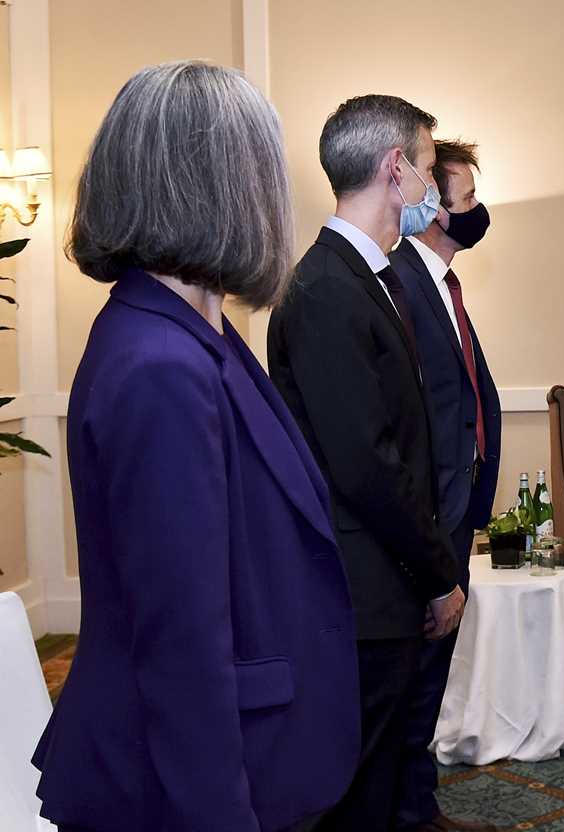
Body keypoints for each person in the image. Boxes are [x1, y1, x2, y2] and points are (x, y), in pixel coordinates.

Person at [32, 61, 359, 832]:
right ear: (225, 186)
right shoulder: (160, 362)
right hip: (186, 786)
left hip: (242, 754)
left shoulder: (187, 330)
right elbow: (182, 645)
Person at [267, 96, 477, 832]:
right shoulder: (328, 288)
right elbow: (368, 465)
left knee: (382, 779)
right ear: (395, 169)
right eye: (426, 166)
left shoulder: (368, 275)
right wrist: (439, 573)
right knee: (357, 792)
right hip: (363, 587)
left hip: (385, 578)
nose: (430, 186)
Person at [388, 139, 501, 831]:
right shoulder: (400, 282)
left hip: (455, 510)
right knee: (413, 674)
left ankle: (417, 803)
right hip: (424, 517)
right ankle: (406, 810)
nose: (477, 210)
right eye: (467, 198)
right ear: (434, 209)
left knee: (431, 670)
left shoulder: (442, 283)